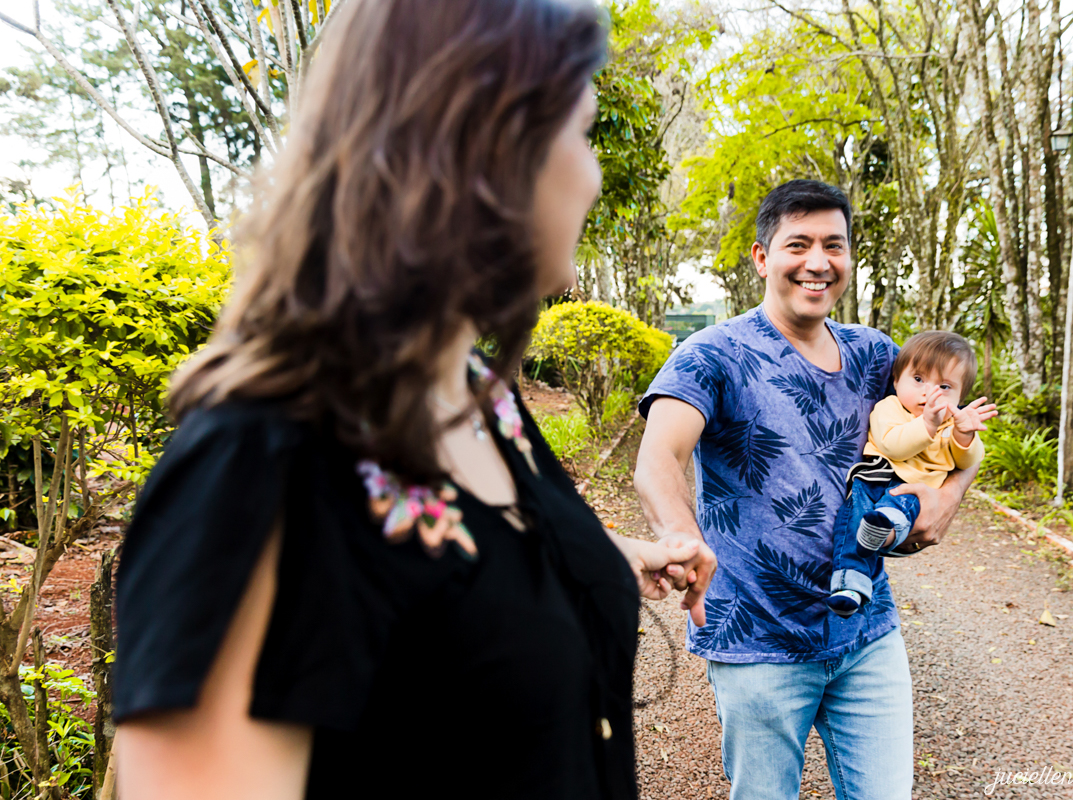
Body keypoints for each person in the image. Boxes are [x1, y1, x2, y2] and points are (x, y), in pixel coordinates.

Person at [112, 2, 712, 798]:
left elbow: (452, 573)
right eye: (581, 133)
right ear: (487, 147)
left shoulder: (476, 393)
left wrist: (611, 556)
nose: (594, 176)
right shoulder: (260, 463)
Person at [634, 179, 981, 800]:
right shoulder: (712, 354)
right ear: (762, 257)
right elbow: (660, 455)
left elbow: (956, 429)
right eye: (798, 244)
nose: (818, 262)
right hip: (756, 640)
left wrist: (949, 494)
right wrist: (681, 536)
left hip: (866, 632)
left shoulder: (876, 354)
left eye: (833, 245)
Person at [827, 331, 997, 617]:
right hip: (876, 478)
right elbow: (894, 446)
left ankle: (885, 529)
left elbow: (966, 461)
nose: (929, 393)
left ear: (959, 397)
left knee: (904, 503)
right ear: (896, 381)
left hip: (915, 490)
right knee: (852, 513)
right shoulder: (889, 408)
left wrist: (965, 435)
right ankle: (849, 583)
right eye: (918, 379)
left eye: (944, 386)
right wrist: (927, 425)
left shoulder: (953, 424)